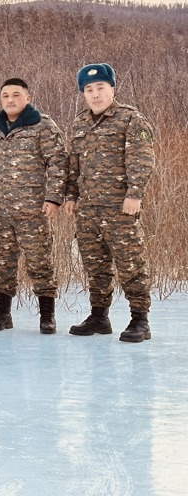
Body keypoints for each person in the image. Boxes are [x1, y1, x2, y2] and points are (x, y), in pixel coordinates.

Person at [64, 63, 155, 343]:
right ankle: (99, 316)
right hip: (88, 209)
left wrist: (134, 194)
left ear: (112, 89)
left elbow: (141, 158)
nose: (95, 94)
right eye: (89, 90)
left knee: (131, 262)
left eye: (100, 88)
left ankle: (140, 319)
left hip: (120, 207)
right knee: (95, 264)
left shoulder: (130, 119)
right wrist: (71, 195)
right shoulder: (80, 123)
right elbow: (73, 164)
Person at [0, 79, 67, 334]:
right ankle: (2, 313)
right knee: (2, 264)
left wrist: (54, 197)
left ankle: (47, 315)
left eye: (16, 95)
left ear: (27, 97)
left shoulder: (42, 125)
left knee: (40, 263)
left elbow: (57, 162)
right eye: (5, 96)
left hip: (34, 210)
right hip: (0, 212)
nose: (10, 100)